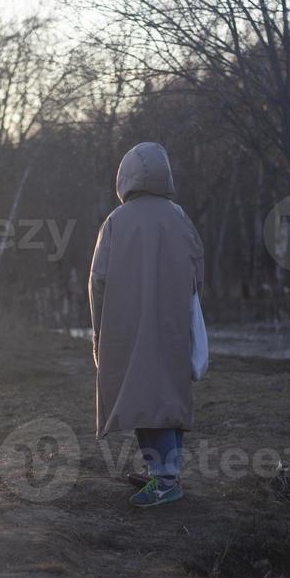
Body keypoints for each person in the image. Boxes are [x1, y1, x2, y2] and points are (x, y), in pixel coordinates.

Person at [89, 142, 205, 508]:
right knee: (166, 394)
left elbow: (98, 280)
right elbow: (197, 269)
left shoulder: (115, 222)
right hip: (172, 321)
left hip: (129, 326)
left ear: (125, 177)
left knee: (142, 395)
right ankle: (164, 471)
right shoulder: (179, 215)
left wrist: (99, 332)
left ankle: (167, 480)